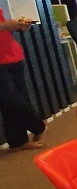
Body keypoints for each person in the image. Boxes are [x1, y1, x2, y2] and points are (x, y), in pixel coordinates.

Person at [0, 9, 46, 152]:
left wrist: (18, 25)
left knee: (12, 103)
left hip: (12, 55)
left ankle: (18, 141)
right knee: (12, 99)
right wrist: (5, 25)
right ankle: (39, 126)